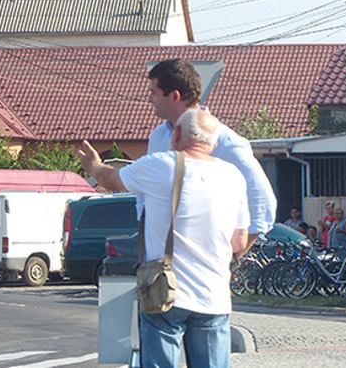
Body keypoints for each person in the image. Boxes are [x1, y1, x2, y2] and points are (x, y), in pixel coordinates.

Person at [79, 108, 249, 368]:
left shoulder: (161, 165)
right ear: (213, 141)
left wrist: (93, 165)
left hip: (165, 291)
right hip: (214, 293)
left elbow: (111, 180)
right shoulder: (234, 176)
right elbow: (239, 242)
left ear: (177, 134)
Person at [143, 59, 276, 253]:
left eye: (153, 92)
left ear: (174, 96)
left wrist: (232, 258)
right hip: (159, 266)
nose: (149, 99)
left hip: (200, 272)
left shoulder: (226, 143)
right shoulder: (158, 137)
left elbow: (263, 205)